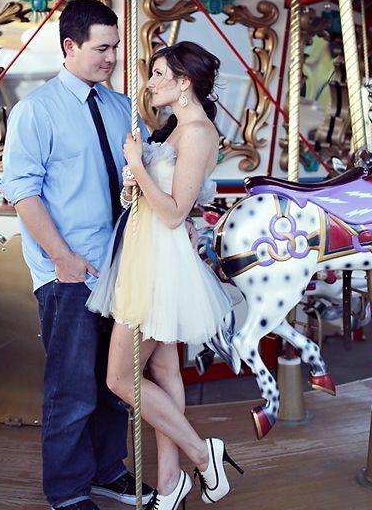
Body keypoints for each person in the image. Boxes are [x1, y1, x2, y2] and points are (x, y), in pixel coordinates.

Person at [0, 0, 153, 510]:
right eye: (101, 48)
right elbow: (22, 190)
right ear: (70, 46)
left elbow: (146, 176)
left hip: (122, 267)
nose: (111, 57)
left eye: (114, 47)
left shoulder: (120, 106)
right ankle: (66, 490)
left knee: (115, 384)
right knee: (73, 388)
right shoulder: (36, 111)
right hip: (71, 272)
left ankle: (108, 470)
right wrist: (61, 257)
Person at [88, 41, 243, 510]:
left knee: (119, 377)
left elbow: (175, 214)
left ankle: (202, 452)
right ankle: (173, 482)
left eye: (158, 74)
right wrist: (133, 185)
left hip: (159, 262)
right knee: (163, 367)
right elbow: (155, 203)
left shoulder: (197, 132)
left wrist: (137, 164)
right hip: (141, 253)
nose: (150, 83)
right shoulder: (174, 129)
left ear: (184, 81)